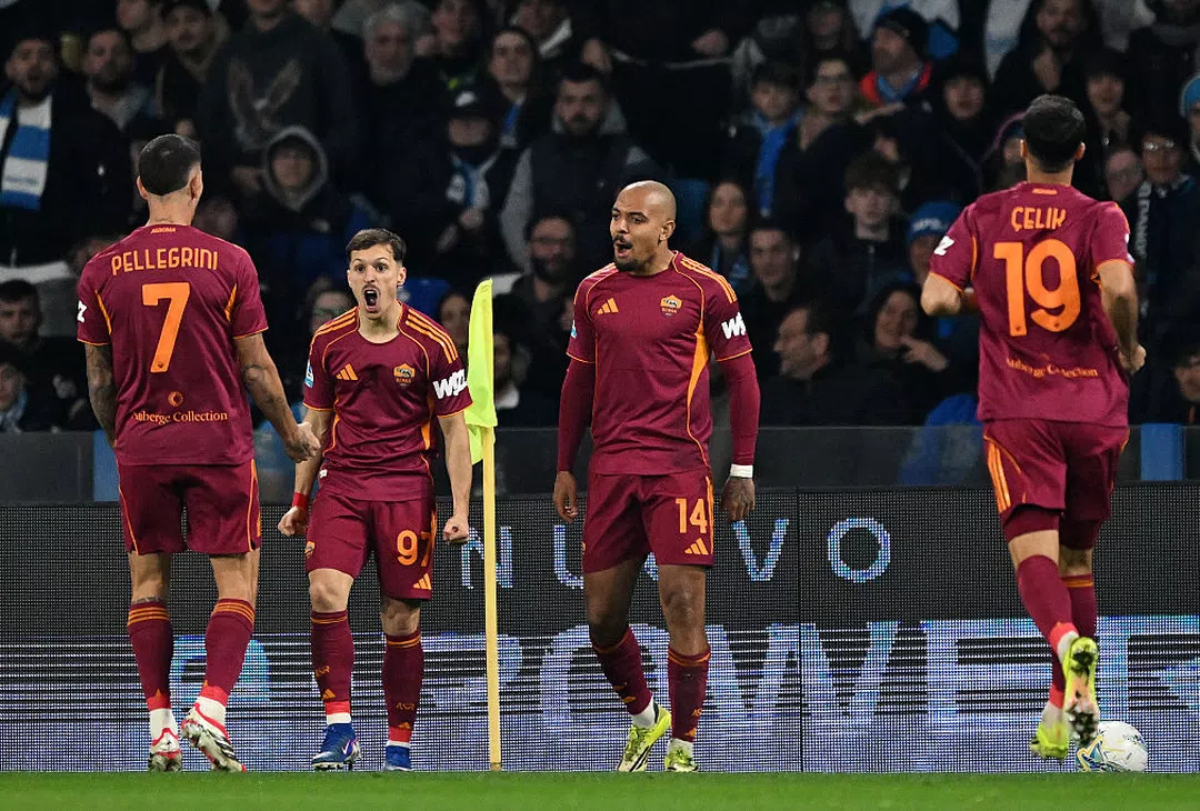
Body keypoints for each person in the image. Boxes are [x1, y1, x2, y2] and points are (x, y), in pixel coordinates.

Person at [76, 134, 319, 772]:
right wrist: (291, 433)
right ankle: (210, 708)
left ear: (139, 187)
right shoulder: (230, 261)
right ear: (197, 185)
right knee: (237, 583)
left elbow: (99, 382)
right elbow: (257, 369)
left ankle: (160, 727)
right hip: (217, 443)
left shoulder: (100, 271)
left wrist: (124, 439)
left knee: (147, 584)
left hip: (144, 445)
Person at [921, 94, 1144, 760]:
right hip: (1095, 408)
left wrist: (987, 296)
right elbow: (1120, 290)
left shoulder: (983, 214)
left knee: (1034, 557)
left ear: (1021, 149)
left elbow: (935, 298)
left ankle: (1065, 646)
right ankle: (1064, 708)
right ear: (1081, 152)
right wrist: (1129, 348)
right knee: (1078, 560)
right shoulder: (1101, 215)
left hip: (1020, 408)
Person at [554, 181, 760, 773]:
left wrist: (741, 469)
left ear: (666, 229)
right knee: (601, 621)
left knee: (683, 604)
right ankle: (648, 720)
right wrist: (564, 464)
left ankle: (684, 751)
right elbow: (577, 383)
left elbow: (743, 380)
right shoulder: (592, 291)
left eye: (636, 220)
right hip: (611, 470)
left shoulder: (706, 290)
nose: (620, 229)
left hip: (679, 469)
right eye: (616, 217)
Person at [277, 228, 474, 772]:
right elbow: (315, 426)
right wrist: (299, 499)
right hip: (341, 486)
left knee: (400, 618)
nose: (371, 277)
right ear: (349, 278)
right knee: (324, 593)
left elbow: (456, 431)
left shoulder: (433, 343)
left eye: (381, 267)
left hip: (406, 490)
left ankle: (398, 746)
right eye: (360, 268)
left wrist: (461, 509)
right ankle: (339, 729)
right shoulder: (328, 341)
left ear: (400, 277)